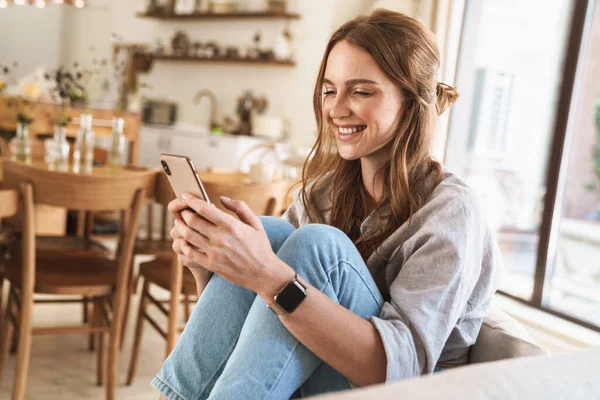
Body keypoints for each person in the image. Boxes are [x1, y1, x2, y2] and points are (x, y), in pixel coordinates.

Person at [152, 8, 504, 400]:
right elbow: (252, 327)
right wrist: (208, 266)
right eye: (329, 90)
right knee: (270, 235)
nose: (336, 109)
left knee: (320, 248)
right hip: (315, 373)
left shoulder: (451, 213)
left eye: (361, 91)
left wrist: (269, 277)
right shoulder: (323, 191)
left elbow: (399, 371)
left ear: (410, 100)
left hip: (402, 389)